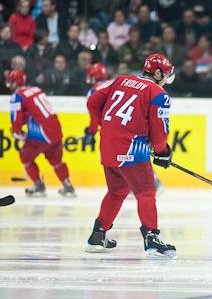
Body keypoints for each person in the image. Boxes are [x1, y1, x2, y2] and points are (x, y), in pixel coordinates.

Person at [84, 54, 176, 257]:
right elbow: (159, 131)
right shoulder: (158, 93)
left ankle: (97, 236)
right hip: (131, 149)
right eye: (165, 74)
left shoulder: (121, 80)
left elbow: (92, 102)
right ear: (158, 73)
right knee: (146, 192)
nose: (166, 79)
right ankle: (151, 238)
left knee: (117, 191)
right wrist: (162, 152)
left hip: (108, 146)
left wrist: (108, 127)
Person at [6, 69, 75, 197]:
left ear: (15, 82)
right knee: (56, 160)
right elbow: (34, 111)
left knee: (25, 157)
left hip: (42, 132)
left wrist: (17, 131)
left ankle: (38, 185)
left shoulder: (17, 96)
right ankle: (67, 185)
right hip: (56, 129)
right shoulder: (36, 89)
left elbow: (16, 118)